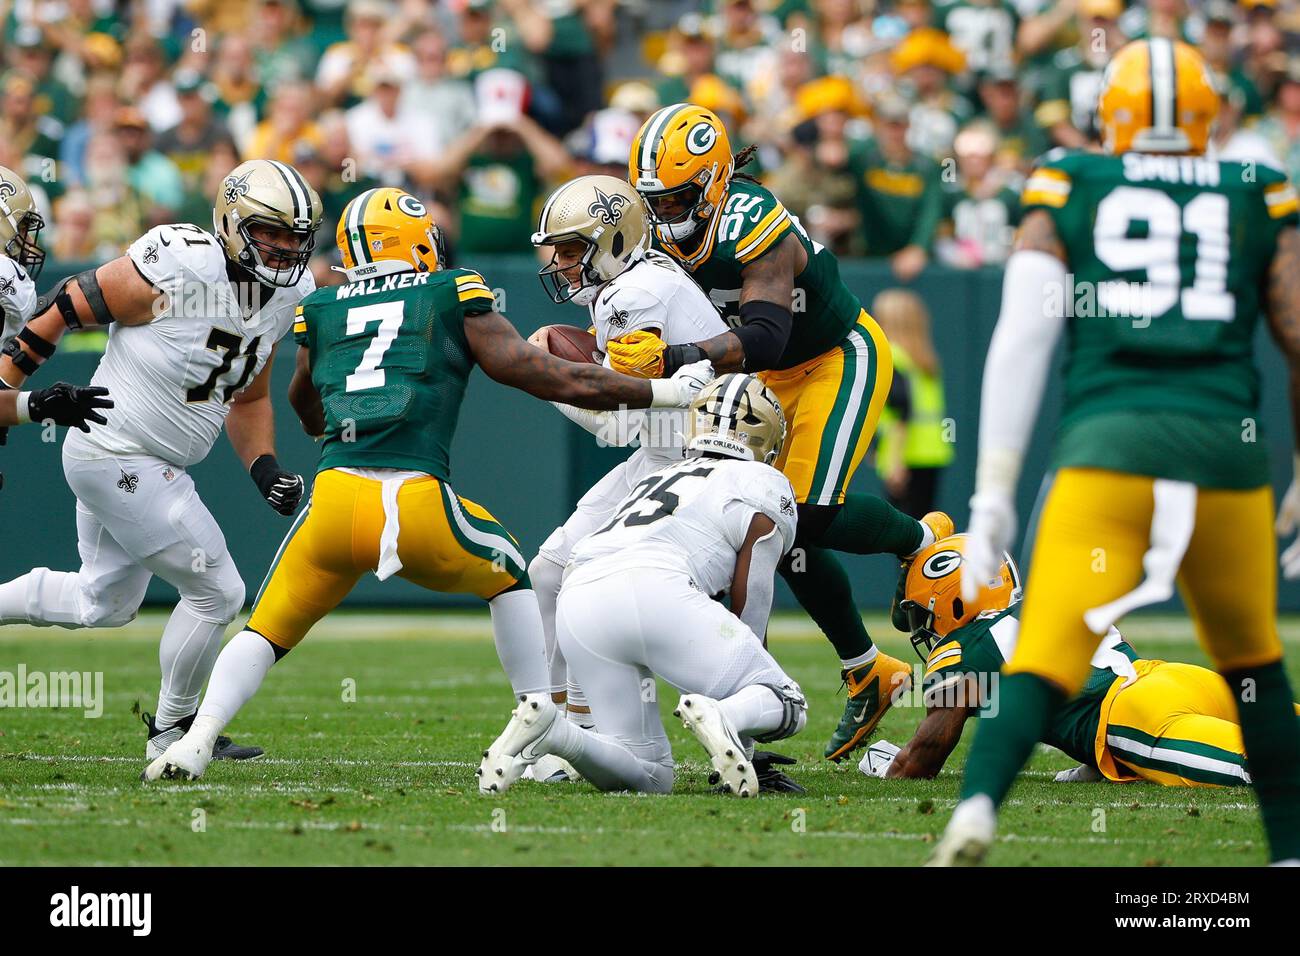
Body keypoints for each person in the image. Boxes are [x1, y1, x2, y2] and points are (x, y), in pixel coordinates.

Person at [141, 187, 712, 782]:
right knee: (516, 575)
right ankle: (539, 721)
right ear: (414, 239)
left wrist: (334, 427)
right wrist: (666, 391)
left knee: (265, 628)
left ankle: (194, 740)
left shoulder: (324, 307)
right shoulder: (450, 290)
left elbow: (301, 401)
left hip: (334, 501)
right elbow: (541, 374)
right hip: (413, 500)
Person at [931, 39, 1300, 866]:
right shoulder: (1257, 187)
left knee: (1041, 653)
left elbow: (1022, 338)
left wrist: (992, 489)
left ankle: (979, 807)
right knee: (1256, 668)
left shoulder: (1070, 178)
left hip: (1107, 445)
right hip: (1222, 452)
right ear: (1210, 114)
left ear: (1112, 113)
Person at [608, 103, 952, 762]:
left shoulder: (749, 216)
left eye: (678, 195)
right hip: (756, 375)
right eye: (654, 198)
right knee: (769, 525)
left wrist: (672, 358)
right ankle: (867, 669)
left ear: (711, 183)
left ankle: (919, 537)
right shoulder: (653, 237)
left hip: (830, 354)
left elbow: (769, 332)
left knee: (811, 511)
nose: (665, 210)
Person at [0, 159, 324, 769]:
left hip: (137, 460)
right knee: (219, 591)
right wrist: (5, 388)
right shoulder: (186, 262)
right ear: (231, 222)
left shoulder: (288, 296)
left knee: (104, 603)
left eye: (294, 236)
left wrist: (263, 467)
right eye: (269, 231)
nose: (283, 249)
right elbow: (69, 303)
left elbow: (247, 394)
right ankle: (174, 729)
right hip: (119, 450)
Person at [479, 374, 806, 797]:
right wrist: (740, 720)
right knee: (788, 702)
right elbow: (750, 607)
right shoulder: (765, 484)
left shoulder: (660, 475)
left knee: (650, 773)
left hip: (580, 596)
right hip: (659, 589)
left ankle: (553, 732)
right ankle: (722, 715)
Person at [524, 175, 728, 781]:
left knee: (586, 577)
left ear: (613, 238)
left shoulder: (634, 294)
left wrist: (547, 378)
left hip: (697, 463)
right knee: (549, 570)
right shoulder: (629, 282)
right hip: (666, 453)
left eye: (569, 248)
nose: (560, 264)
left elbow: (615, 424)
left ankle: (594, 732)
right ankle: (566, 726)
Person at [866, 535, 1294, 788]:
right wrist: (1093, 763)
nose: (927, 629)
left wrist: (886, 765)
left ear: (954, 599)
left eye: (924, 614)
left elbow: (926, 755)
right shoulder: (1041, 606)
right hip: (1172, 678)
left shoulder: (968, 643)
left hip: (1134, 715)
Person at [872, 289, 952, 517]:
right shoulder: (926, 361)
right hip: (933, 454)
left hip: (904, 458)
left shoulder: (892, 357)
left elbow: (900, 413)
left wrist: (895, 462)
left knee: (907, 534)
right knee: (927, 525)